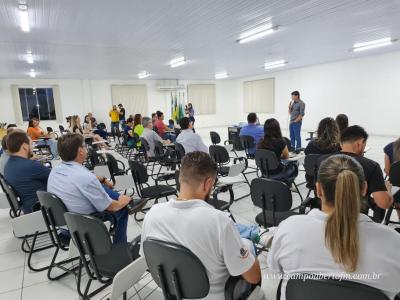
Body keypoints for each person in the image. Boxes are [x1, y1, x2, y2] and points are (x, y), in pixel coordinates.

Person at [268, 155, 400, 300]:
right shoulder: (393, 242)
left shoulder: (289, 229)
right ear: (364, 189)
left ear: (318, 190)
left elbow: (276, 270)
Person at [140, 152, 261, 299]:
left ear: (180, 178)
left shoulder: (152, 214)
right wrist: (247, 250)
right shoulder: (219, 222)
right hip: (218, 295)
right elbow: (254, 277)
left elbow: (148, 260)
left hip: (175, 293)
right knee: (248, 244)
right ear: (208, 183)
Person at [47, 133, 132, 244]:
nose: (86, 148)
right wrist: (123, 202)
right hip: (85, 227)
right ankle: (121, 249)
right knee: (122, 210)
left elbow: (86, 178)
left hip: (64, 224)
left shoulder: (55, 170)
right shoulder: (85, 177)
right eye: (84, 146)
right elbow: (112, 207)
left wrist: (102, 179)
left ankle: (116, 195)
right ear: (80, 151)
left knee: (101, 186)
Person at [319, 125, 393, 222]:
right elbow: (383, 203)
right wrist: (388, 191)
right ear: (360, 143)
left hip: (326, 218)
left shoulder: (322, 161)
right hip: (357, 221)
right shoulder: (371, 166)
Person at [4, 130, 50, 214]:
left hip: (28, 208)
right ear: (25, 146)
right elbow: (55, 178)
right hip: (43, 210)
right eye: (31, 144)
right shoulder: (31, 166)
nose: (32, 147)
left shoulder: (8, 166)